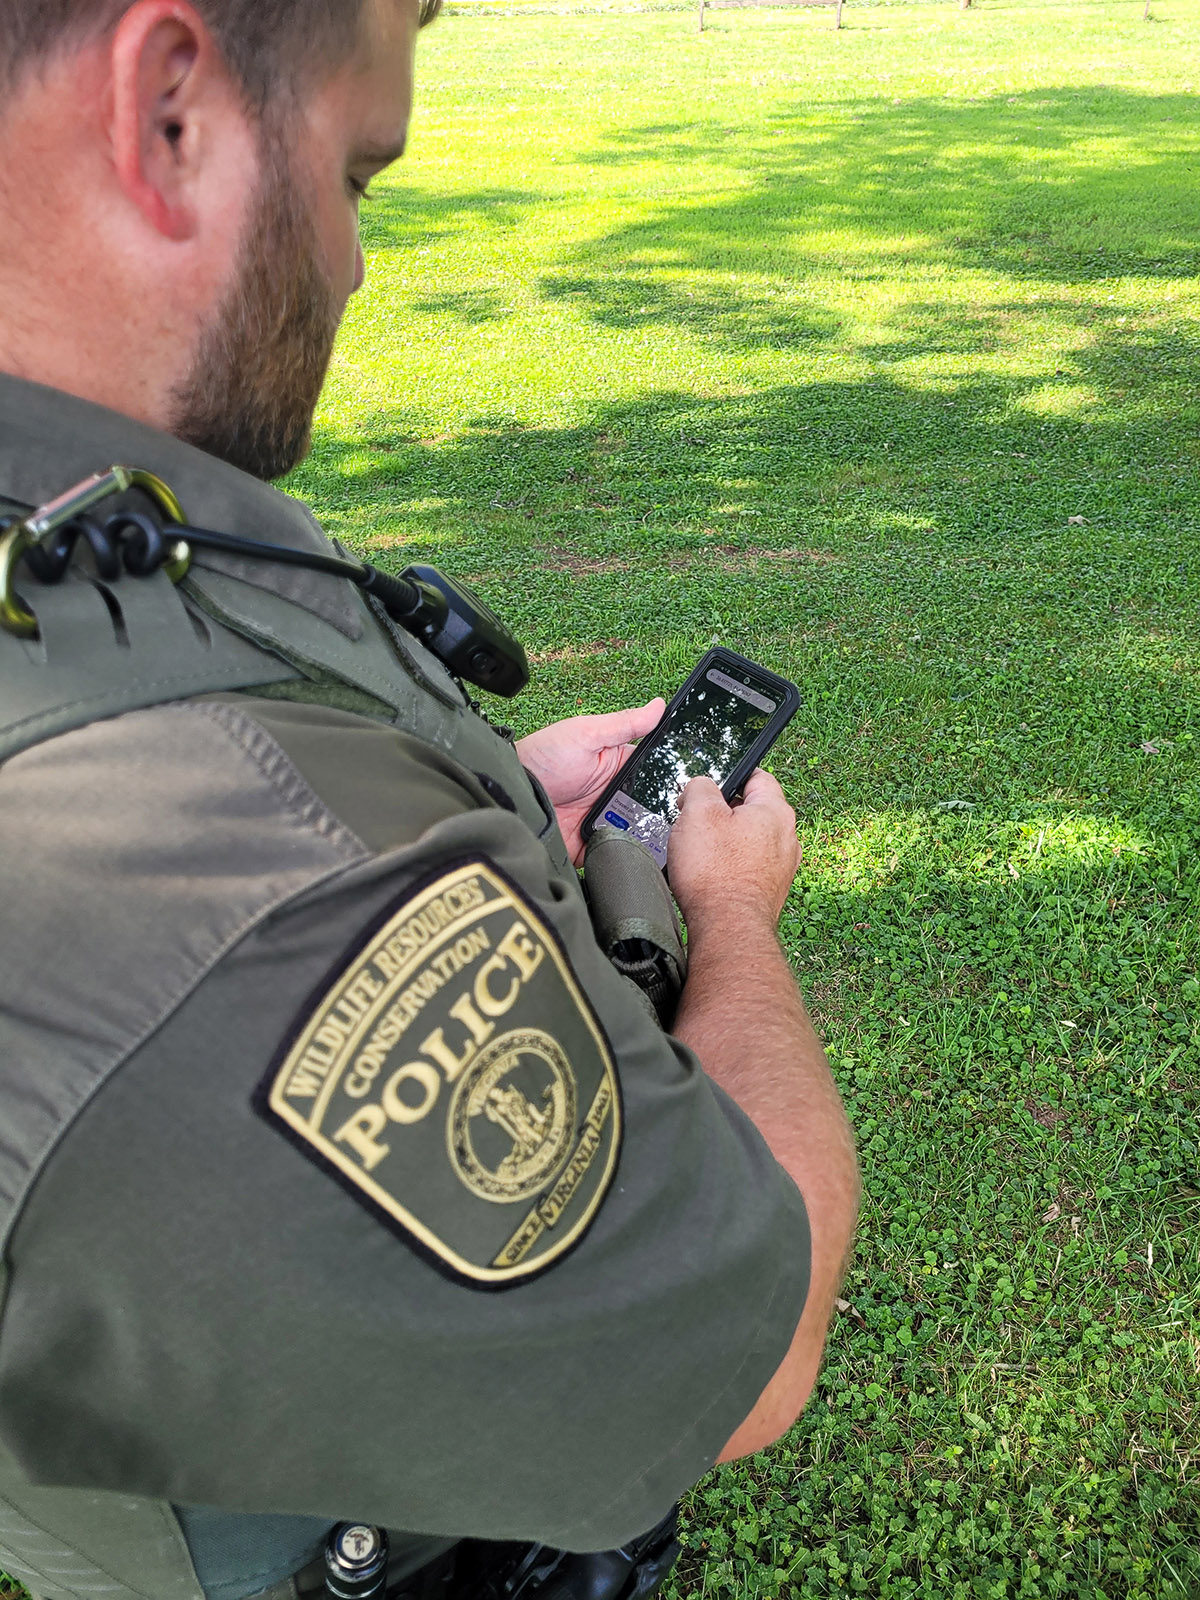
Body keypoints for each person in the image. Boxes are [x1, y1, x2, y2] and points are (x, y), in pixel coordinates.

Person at [0, 5, 861, 1600]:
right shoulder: (192, 851)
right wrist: (732, 910)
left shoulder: (72, 523)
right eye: (357, 177)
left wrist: (477, 800)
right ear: (167, 109)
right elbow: (748, 1350)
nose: (353, 264)